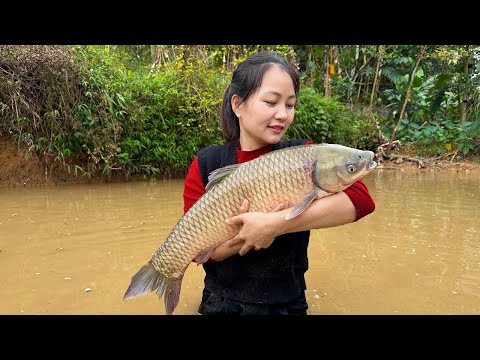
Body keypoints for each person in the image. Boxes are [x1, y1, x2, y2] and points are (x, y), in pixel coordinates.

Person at [183, 51, 376, 315]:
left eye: (290, 104)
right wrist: (247, 235)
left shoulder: (304, 154)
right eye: (271, 102)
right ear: (237, 105)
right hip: (221, 302)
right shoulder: (206, 162)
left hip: (286, 303)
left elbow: (362, 200)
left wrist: (274, 225)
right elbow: (199, 252)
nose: (283, 114)